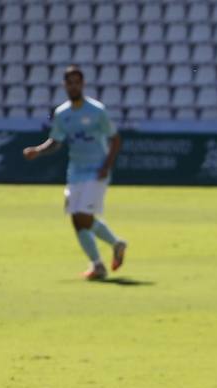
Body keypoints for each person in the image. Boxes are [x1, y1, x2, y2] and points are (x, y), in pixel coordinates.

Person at [23, 66, 127, 280]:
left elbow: (115, 139)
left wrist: (106, 166)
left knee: (82, 216)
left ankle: (103, 259)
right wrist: (38, 151)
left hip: (96, 170)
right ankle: (106, 255)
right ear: (65, 86)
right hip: (76, 171)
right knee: (77, 220)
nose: (73, 86)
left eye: (77, 82)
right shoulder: (63, 114)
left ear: (83, 84)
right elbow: (56, 141)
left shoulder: (97, 110)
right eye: (69, 82)